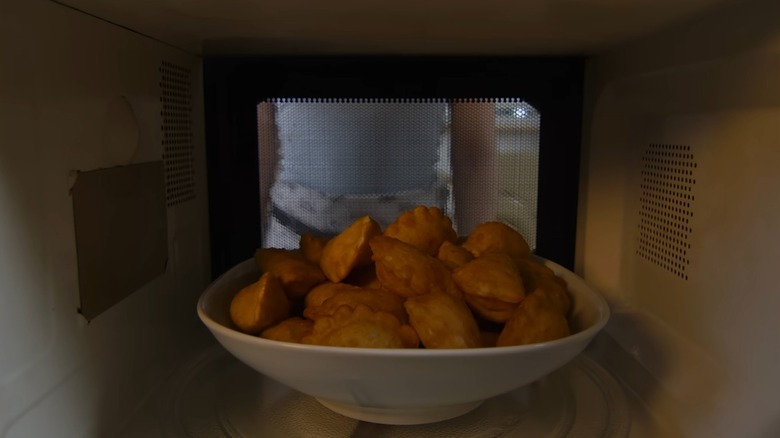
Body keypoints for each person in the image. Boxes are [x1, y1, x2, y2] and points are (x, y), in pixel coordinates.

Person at [257, 99, 498, 249]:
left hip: (415, 247)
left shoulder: (459, 22)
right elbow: (256, 153)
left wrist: (478, 260)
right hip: (296, 244)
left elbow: (474, 154)